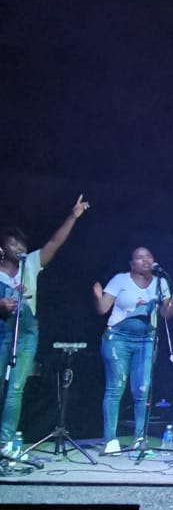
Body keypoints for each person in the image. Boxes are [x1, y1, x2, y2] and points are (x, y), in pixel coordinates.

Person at [0, 195, 91, 457]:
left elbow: (54, 243)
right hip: (3, 331)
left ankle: (5, 442)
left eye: (21, 242)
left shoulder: (29, 264)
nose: (18, 246)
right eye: (12, 242)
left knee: (16, 389)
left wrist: (73, 216)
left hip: (26, 332)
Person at [94, 247, 173, 454]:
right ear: (132, 263)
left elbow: (165, 314)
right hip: (118, 338)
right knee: (115, 388)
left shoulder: (160, 283)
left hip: (146, 339)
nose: (145, 260)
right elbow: (102, 308)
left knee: (142, 389)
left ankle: (140, 437)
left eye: (149, 256)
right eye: (139, 257)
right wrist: (97, 296)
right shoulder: (120, 280)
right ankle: (110, 439)